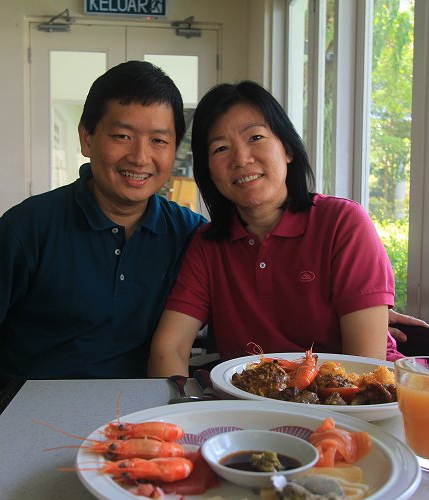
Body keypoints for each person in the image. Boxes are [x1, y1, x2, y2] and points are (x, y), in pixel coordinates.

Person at [0, 61, 205, 435]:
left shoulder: (191, 234)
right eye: (122, 136)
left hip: (141, 419)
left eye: (159, 140)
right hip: (32, 415)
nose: (141, 157)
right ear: (87, 138)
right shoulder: (29, 226)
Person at [148, 81, 401, 378]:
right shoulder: (208, 245)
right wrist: (184, 409)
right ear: (208, 172)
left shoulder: (342, 223)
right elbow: (170, 347)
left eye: (255, 137)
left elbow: (364, 367)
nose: (241, 159)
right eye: (221, 148)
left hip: (355, 404)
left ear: (288, 150)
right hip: (252, 410)